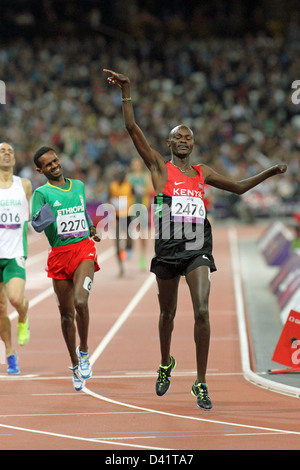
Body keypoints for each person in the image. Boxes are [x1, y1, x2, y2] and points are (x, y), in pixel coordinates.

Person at [103, 69, 287, 411]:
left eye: (188, 136)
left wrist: (269, 172)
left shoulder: (204, 172)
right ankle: (165, 363)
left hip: (197, 247)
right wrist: (127, 91)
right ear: (170, 144)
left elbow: (239, 187)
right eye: (178, 136)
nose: (184, 140)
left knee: (202, 310)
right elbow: (132, 129)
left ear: (193, 144)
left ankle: (200, 381)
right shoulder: (159, 168)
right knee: (167, 314)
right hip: (168, 247)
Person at [31, 146, 101, 391]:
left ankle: (83, 351)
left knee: (81, 302)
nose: (54, 165)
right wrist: (45, 217)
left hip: (83, 250)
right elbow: (36, 223)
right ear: (40, 170)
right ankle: (74, 363)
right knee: (66, 314)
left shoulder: (79, 186)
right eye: (47, 164)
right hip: (59, 256)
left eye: (55, 160)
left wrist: (91, 228)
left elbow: (83, 213)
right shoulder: (41, 193)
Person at [0, 142, 31, 375]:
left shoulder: (25, 185)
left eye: (10, 150)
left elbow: (34, 216)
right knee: (0, 309)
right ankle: (10, 354)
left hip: (15, 254)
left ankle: (23, 315)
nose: (6, 153)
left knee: (15, 298)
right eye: (2, 151)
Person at [128, 157, 153, 270]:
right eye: (133, 164)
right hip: (132, 207)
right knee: (130, 231)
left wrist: (142, 190)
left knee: (143, 232)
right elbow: (125, 190)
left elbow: (151, 189)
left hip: (142, 206)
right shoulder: (129, 177)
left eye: (137, 164)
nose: (135, 166)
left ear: (141, 165)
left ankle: (142, 255)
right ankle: (129, 249)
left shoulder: (145, 176)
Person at [109, 169, 134, 277]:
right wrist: (112, 202)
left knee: (129, 241)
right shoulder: (112, 186)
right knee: (117, 243)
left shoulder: (129, 186)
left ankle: (128, 249)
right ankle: (121, 268)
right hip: (117, 217)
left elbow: (134, 196)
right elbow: (108, 198)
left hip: (128, 215)